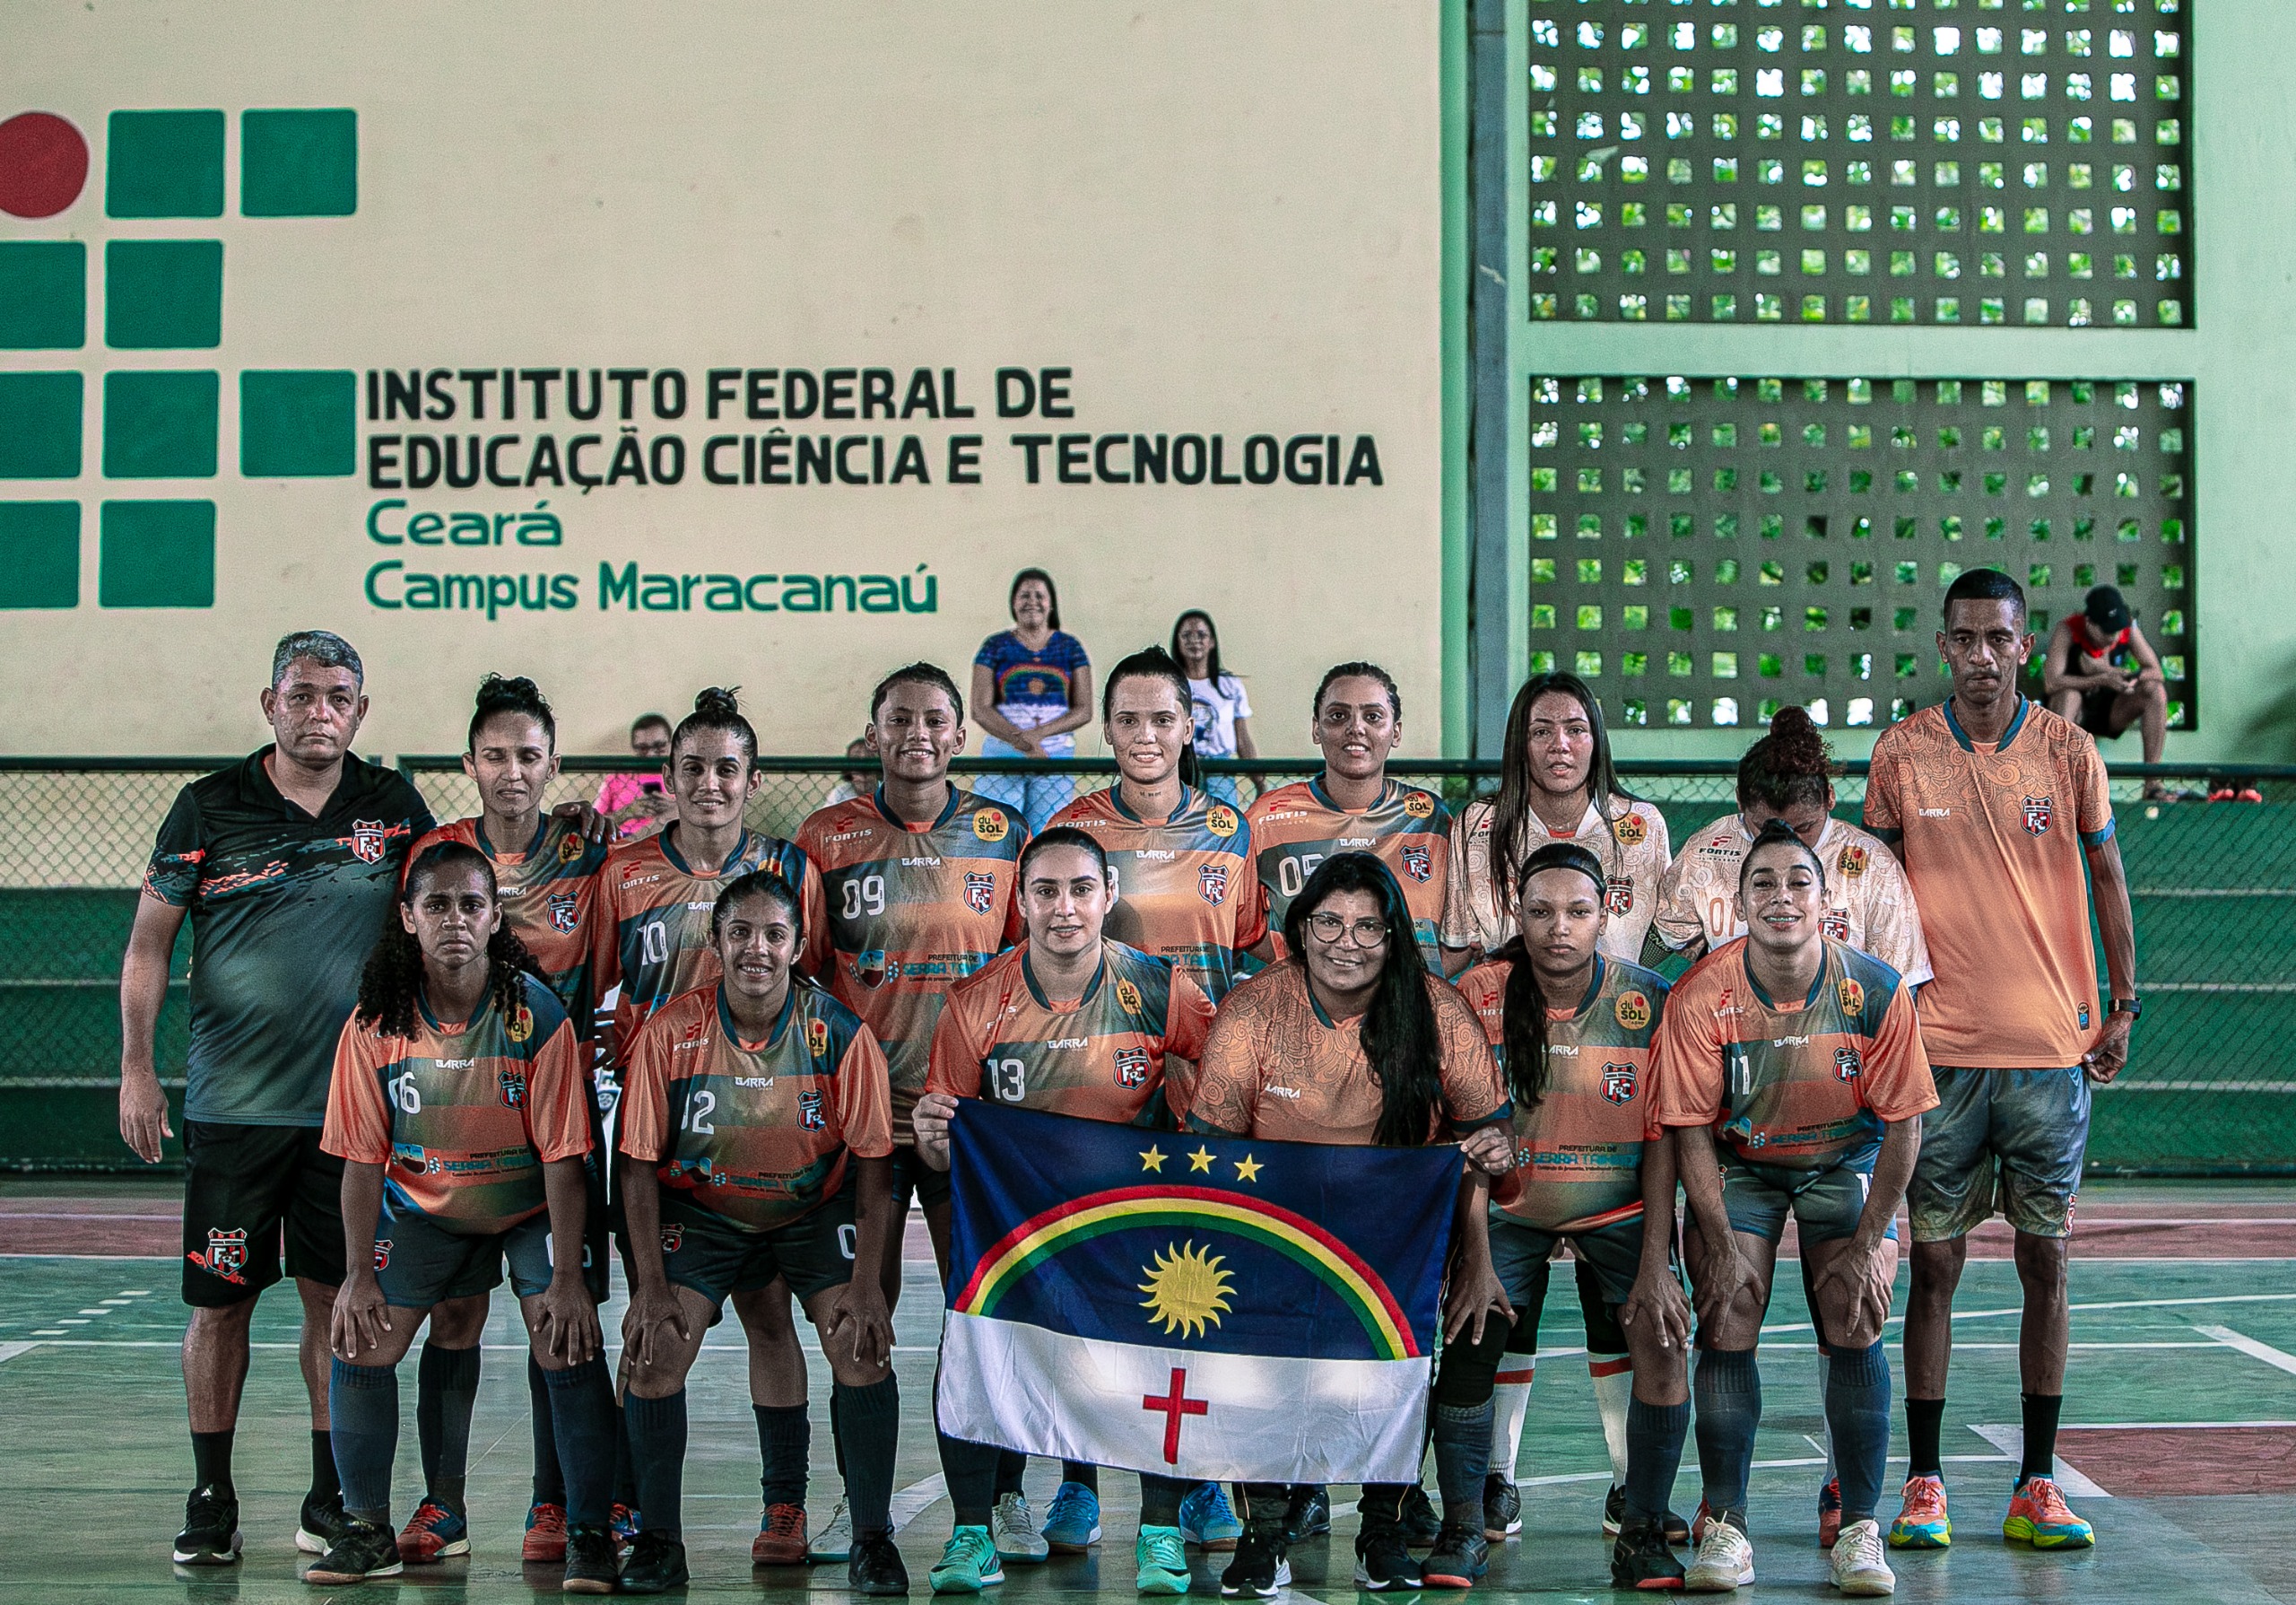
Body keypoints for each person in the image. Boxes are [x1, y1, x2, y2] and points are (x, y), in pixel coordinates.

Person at [119, 630, 436, 1568]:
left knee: (334, 1301)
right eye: (300, 695)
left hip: (352, 1113)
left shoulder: (393, 806)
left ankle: (328, 1496)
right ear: (270, 704)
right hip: (234, 1109)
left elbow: (451, 909)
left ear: (360, 711)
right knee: (221, 1304)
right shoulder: (207, 805)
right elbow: (148, 945)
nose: (318, 713)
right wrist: (137, 1069)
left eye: (337, 697)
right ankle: (211, 1494)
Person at [1864, 569, 2138, 1556]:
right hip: (1938, 1052)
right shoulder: (1901, 752)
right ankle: (1925, 1481)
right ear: (1943, 646)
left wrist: (2123, 1002)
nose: (1982, 654)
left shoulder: (2068, 750)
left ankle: (2036, 1482)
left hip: (2049, 1050)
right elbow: (1873, 895)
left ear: (2026, 646)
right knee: (1933, 1264)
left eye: (1999, 638)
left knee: (2045, 1259)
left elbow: (2106, 872)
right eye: (1965, 637)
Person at [1186, 853, 1516, 1598]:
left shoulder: (1437, 1012)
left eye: (1369, 926)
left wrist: (1479, 1249)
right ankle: (1265, 1533)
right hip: (1275, 1229)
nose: (1347, 942)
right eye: (1329, 922)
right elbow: (1211, 1148)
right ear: (1300, 928)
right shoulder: (1253, 1010)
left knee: (1392, 1375)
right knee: (1260, 1375)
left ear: (1394, 936)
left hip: (1396, 1238)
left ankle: (1381, 1529)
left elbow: (1484, 1139)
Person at [911, 827, 1220, 1596]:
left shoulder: (1163, 990)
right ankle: (972, 1534)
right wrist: (933, 1140)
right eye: (1045, 891)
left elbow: (1223, 1084)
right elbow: (947, 1151)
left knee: (1165, 1341)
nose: (1064, 908)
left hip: (1131, 1223)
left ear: (1110, 895)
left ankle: (1158, 1532)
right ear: (1020, 901)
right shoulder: (975, 1003)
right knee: (970, 1345)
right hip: (1020, 1231)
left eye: (1081, 889)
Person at [1653, 703, 1933, 1546]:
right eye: (1763, 879)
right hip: (1742, 1149)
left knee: (1855, 1304)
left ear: (1825, 890)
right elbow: (1688, 1122)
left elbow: (1904, 1115)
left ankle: (1857, 1518)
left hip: (1845, 1147)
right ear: (1738, 893)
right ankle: (1725, 1515)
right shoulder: (1701, 965)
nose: (1781, 892)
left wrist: (1875, 1236)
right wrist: (1713, 1237)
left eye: (1800, 873)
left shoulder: (1873, 939)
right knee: (1728, 1301)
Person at [306, 842, 615, 1591]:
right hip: (425, 1203)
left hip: (530, 1202)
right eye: (437, 904)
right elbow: (361, 1160)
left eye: (471, 903)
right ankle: (370, 1528)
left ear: (495, 917)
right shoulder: (374, 1024)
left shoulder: (535, 1015)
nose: (455, 919)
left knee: (565, 1336)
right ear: (409, 917)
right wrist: (356, 1275)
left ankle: (590, 1531)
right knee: (361, 1339)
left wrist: (568, 1278)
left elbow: (563, 1157)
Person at [614, 870, 904, 1596]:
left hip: (812, 1207)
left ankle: (871, 1539)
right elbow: (637, 1165)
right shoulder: (670, 1032)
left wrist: (868, 1283)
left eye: (774, 934)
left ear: (798, 946)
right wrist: (648, 1285)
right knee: (655, 1349)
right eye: (740, 932)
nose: (757, 948)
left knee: (859, 1343)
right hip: (705, 1211)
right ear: (716, 942)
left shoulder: (838, 1033)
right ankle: (658, 1540)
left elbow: (875, 1164)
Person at [796, 663, 1027, 1561]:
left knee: (985, 1314)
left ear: (960, 734)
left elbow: (1025, 974)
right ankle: (862, 1509)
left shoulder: (1002, 833)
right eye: (900, 718)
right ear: (874, 733)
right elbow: (806, 976)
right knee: (861, 1315)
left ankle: (1002, 1498)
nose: (917, 734)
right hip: (870, 1121)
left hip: (973, 1122)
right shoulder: (827, 837)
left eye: (935, 719)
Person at [592, 686, 823, 1557]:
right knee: (652, 1319)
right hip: (659, 1145)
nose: (710, 783)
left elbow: (819, 991)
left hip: (767, 1136)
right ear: (669, 775)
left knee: (770, 1315)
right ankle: (630, 1503)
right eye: (693, 767)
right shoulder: (624, 873)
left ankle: (783, 1505)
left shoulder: (790, 869)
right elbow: (591, 991)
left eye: (728, 768)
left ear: (753, 779)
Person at [1439, 672, 1670, 1515]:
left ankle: (1630, 1490)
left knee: (1619, 1308)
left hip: (1610, 1065)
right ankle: (1494, 1480)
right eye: (1542, 729)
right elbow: (1459, 953)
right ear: (1520, 741)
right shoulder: (1480, 825)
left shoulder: (1641, 826)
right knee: (1510, 1300)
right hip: (1512, 1056)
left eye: (1576, 727)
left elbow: (1660, 945)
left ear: (1596, 739)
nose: (1560, 744)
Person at [404, 676, 615, 1565]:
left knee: (556, 1314)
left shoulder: (587, 855)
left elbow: (612, 973)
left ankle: (555, 1503)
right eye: (495, 755)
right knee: (454, 1316)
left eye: (529, 755)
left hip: (558, 1124)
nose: (512, 771)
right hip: (455, 1120)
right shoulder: (437, 856)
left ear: (553, 763)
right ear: (470, 763)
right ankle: (443, 1504)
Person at [1448, 843, 1691, 1592]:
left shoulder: (1648, 1000)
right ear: (1517, 914)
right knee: (1471, 1328)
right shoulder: (1477, 995)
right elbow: (1464, 1133)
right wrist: (1474, 1258)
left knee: (1660, 1334)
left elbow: (1662, 1137)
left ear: (1605, 914)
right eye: (1542, 911)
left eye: (1578, 910)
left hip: (1618, 1205)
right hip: (1510, 1203)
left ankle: (1642, 1524)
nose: (1560, 927)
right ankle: (1464, 1524)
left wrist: (1657, 1260)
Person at [1052, 648, 1265, 1007]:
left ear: (1188, 729)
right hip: (1105, 1038)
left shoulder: (1230, 831)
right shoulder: (1069, 831)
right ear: (1108, 729)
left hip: (1205, 1040)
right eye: (1128, 721)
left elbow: (1249, 939)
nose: (1145, 736)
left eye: (1163, 720)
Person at [1248, 662, 1458, 975]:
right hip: (1306, 1000)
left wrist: (1422, 982)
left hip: (1408, 1000)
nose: (1356, 728)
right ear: (1316, 728)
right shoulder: (1267, 818)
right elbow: (1241, 922)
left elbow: (1464, 927)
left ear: (1396, 731)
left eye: (1372, 716)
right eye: (1338, 715)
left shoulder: (1431, 818)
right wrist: (1302, 966)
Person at [970, 568, 1094, 833]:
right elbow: (980, 708)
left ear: (1051, 603)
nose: (1032, 601)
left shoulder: (1070, 647)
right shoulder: (994, 646)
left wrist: (1037, 737)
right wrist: (1022, 742)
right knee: (998, 833)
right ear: (1013, 602)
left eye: (1040, 595)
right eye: (1024, 595)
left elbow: (1084, 710)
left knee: (1046, 834)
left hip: (1054, 757)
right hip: (1003, 756)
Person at [2041, 584, 2169, 789]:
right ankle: (2058, 785)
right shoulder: (2068, 630)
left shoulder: (2128, 629)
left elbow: (2156, 672)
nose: (2114, 637)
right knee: (2069, 695)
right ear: (2089, 623)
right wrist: (2100, 679)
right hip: (2073, 714)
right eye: (2107, 631)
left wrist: (2127, 677)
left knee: (2155, 691)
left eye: (2117, 630)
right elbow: (2051, 682)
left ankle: (2153, 784)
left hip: (2109, 712)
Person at [1171, 610, 1258, 807]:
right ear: (1178, 642)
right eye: (1186, 635)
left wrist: (1259, 782)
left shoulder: (1230, 685)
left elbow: (1242, 739)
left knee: (1221, 821)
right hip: (1181, 767)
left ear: (1212, 642)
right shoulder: (1170, 684)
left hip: (1221, 769)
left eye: (1201, 635)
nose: (1194, 641)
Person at [594, 713, 675, 839]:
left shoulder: (683, 776)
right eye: (643, 748)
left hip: (669, 840)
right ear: (634, 748)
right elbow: (594, 821)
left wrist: (676, 809)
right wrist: (627, 812)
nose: (651, 755)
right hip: (623, 841)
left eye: (659, 747)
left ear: (672, 744)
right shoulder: (617, 778)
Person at [822, 736, 878, 808]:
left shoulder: (887, 792)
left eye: (869, 759)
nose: (863, 774)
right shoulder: (840, 794)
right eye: (856, 761)